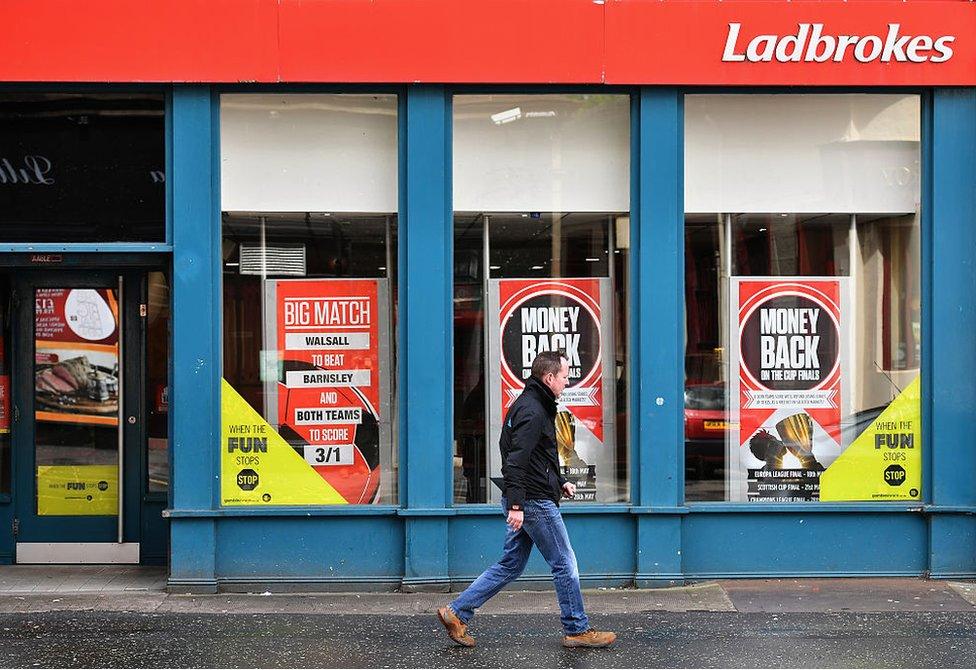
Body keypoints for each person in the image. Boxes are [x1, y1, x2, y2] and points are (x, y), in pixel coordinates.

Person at [437, 350, 617, 649]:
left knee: (510, 564)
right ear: (549, 378)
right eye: (564, 375)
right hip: (533, 503)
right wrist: (518, 505)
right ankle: (577, 628)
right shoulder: (533, 410)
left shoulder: (532, 405)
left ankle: (457, 612)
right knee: (564, 562)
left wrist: (559, 482)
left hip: (530, 497)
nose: (567, 380)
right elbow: (515, 461)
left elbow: (536, 455)